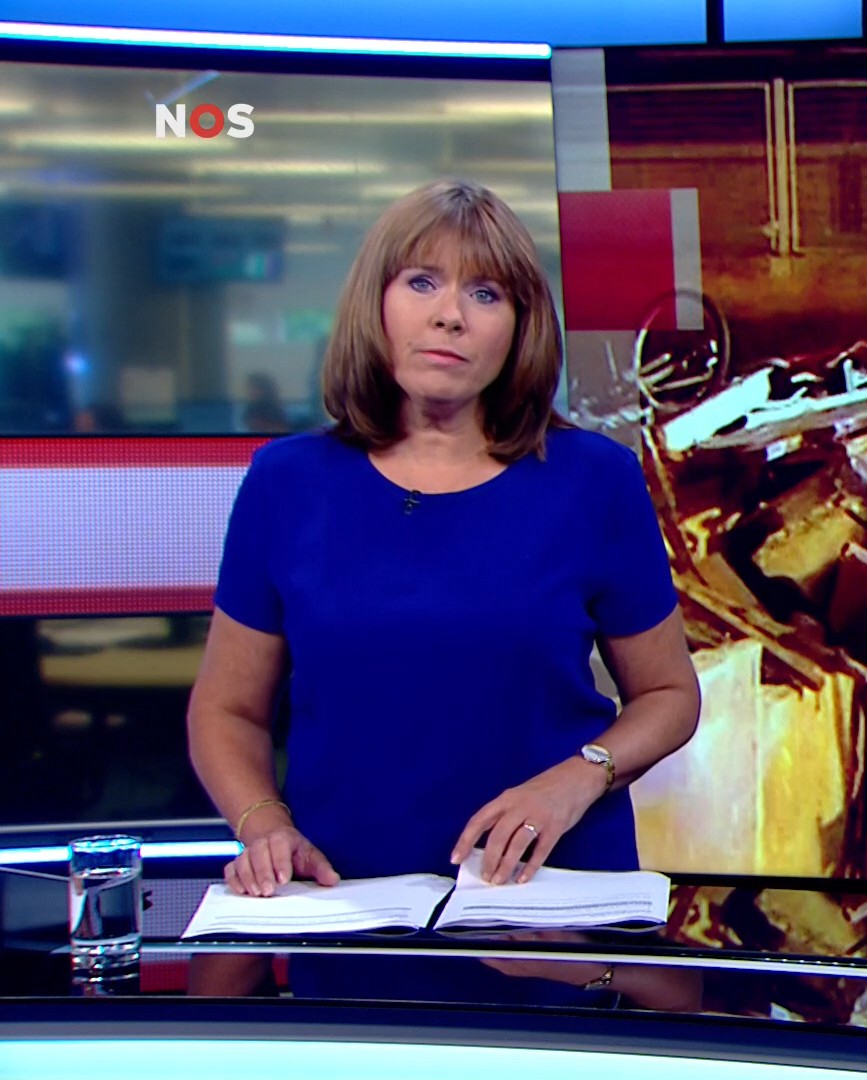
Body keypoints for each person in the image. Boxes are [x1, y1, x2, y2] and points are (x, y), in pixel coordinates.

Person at [186, 179, 701, 999]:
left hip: (549, 913)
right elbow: (226, 710)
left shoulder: (594, 480)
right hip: (350, 906)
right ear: (377, 303)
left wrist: (578, 777)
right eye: (422, 282)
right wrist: (264, 823)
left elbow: (671, 695)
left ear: (520, 327)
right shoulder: (287, 482)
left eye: (485, 293)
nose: (450, 315)